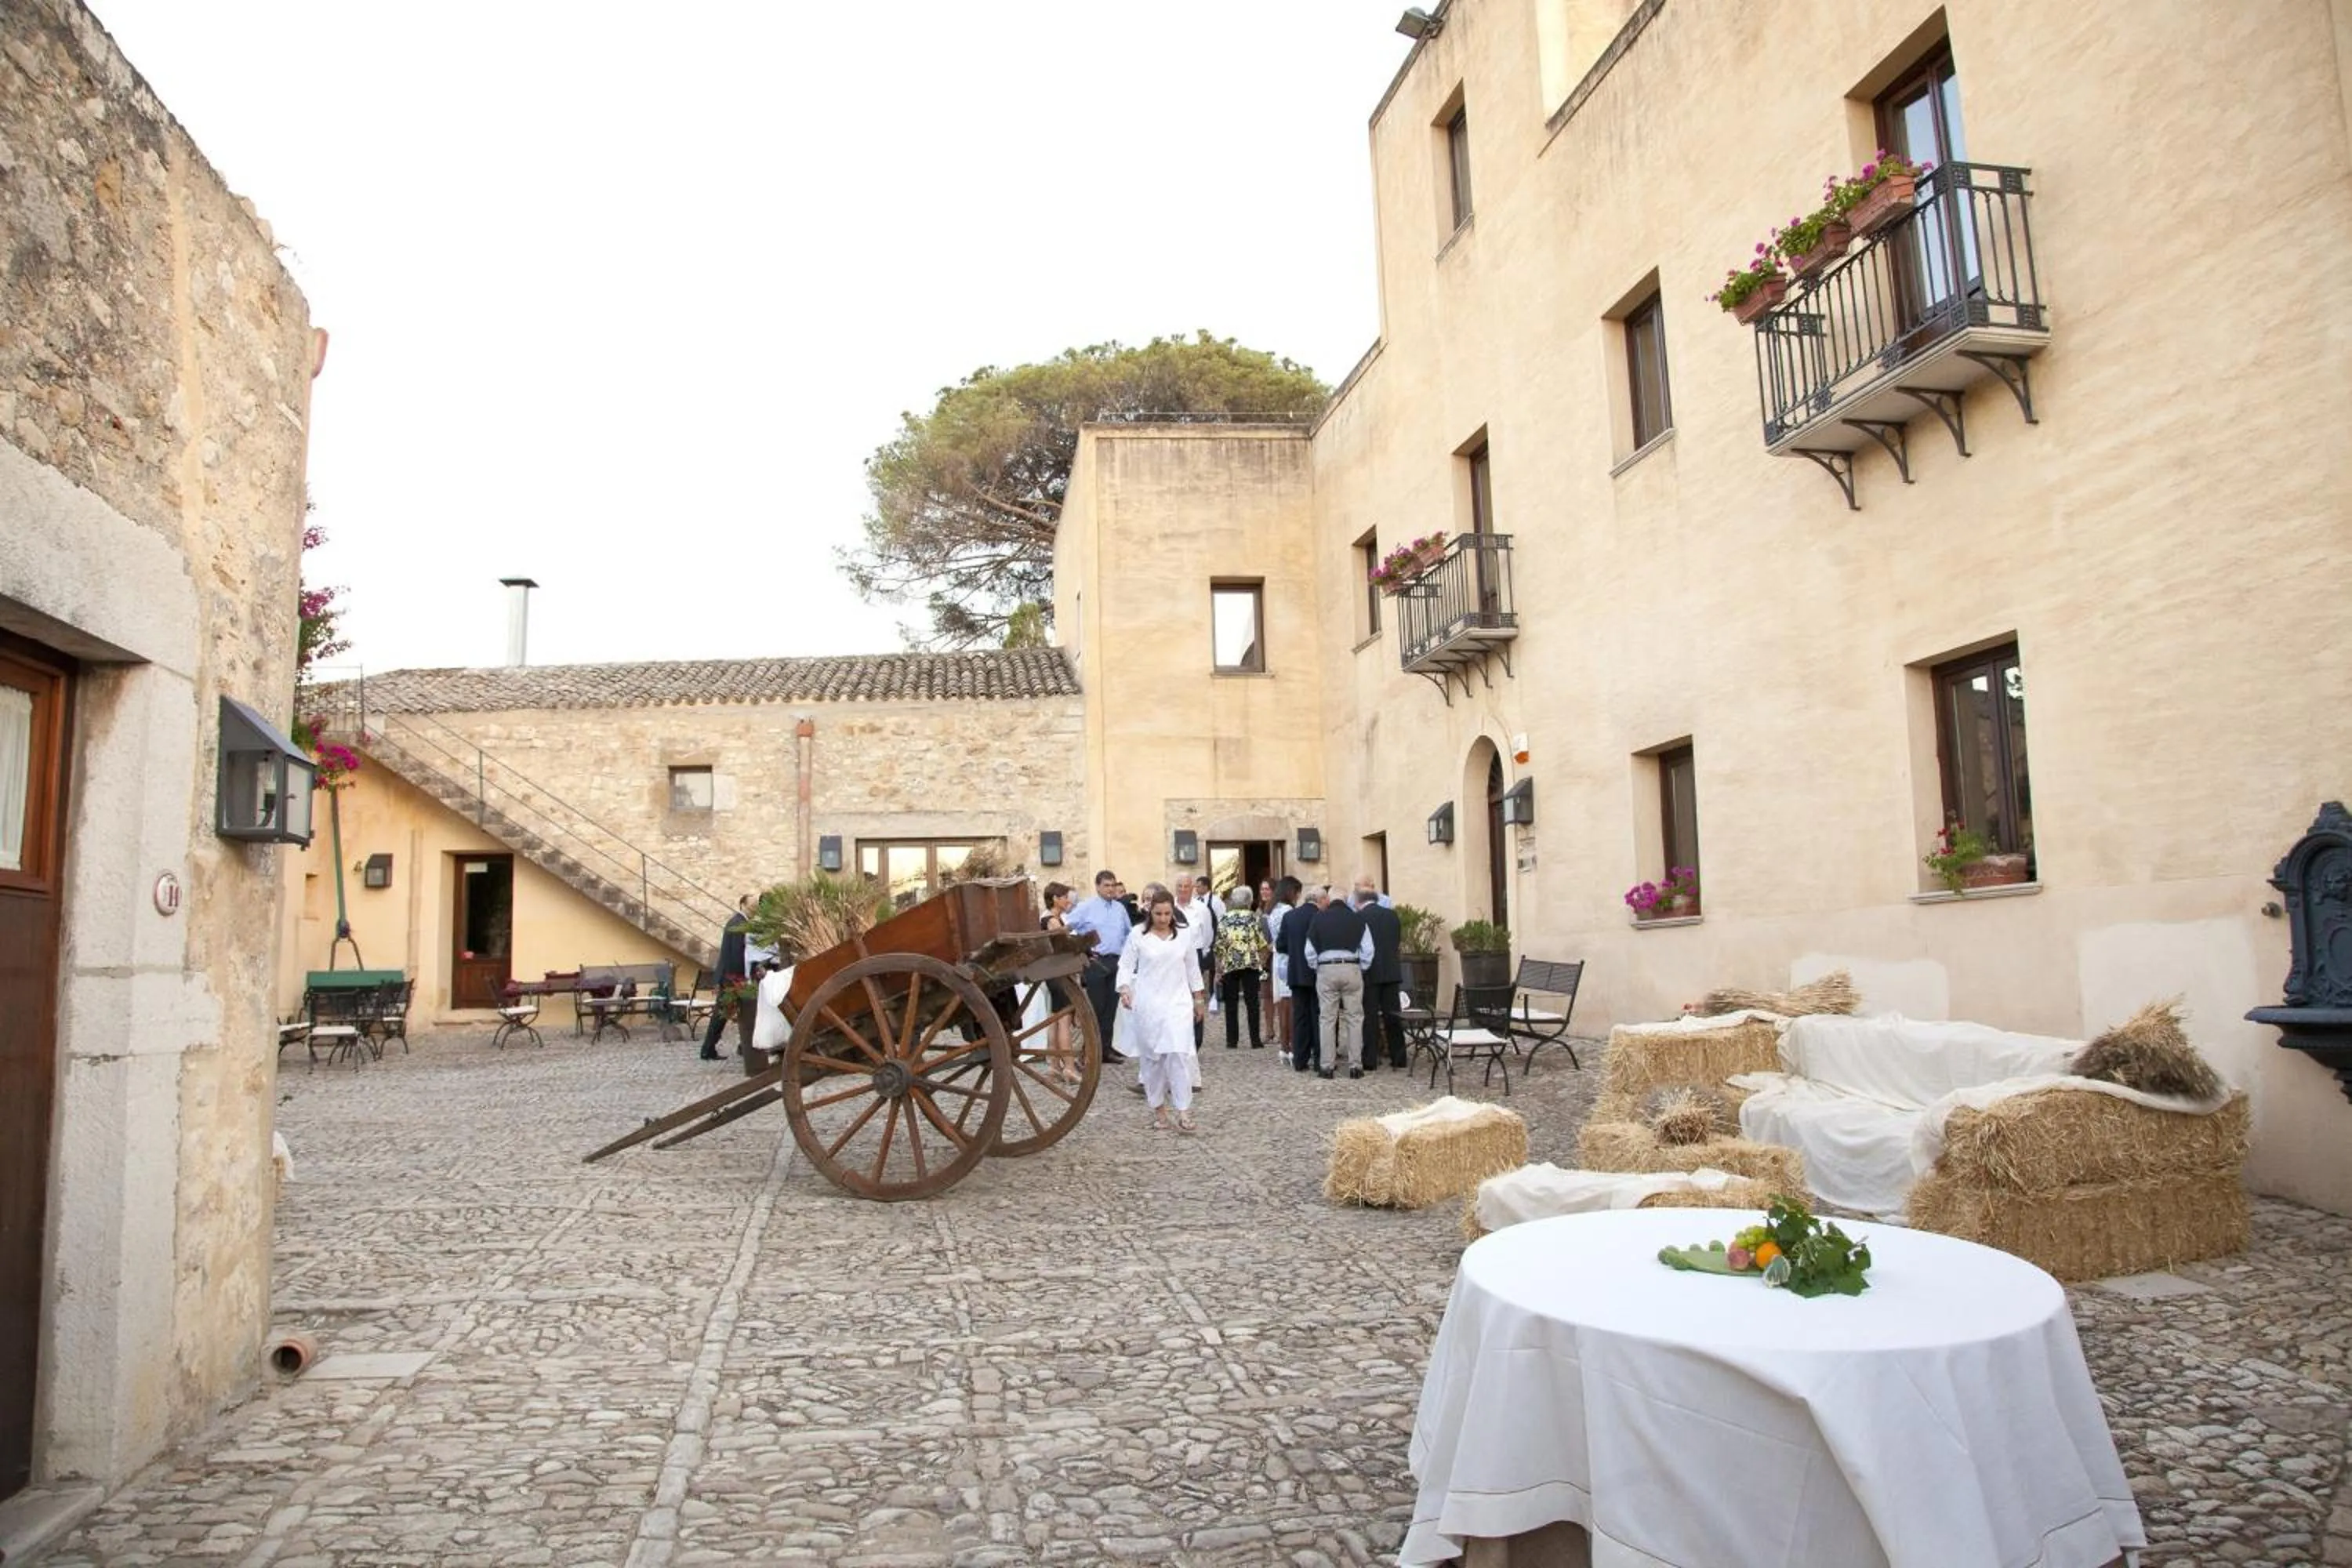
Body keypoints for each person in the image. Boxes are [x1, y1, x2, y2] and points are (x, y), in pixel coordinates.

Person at [1115, 889, 1207, 1132]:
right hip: (1148, 1004)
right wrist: (1125, 989)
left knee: (1178, 1055)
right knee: (1152, 1060)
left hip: (1177, 1003)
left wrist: (1199, 999)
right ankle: (1160, 1111)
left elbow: (1192, 969)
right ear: (1150, 912)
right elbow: (1125, 965)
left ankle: (1184, 1111)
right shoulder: (1138, 935)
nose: (1163, 918)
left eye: (1167, 913)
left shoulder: (1184, 936)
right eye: (1158, 914)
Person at [1305, 884, 1374, 1078]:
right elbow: (1368, 950)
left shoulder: (1318, 919)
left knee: (1327, 1019)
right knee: (1354, 1018)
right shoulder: (1358, 920)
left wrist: (1317, 967)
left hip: (1327, 968)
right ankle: (1355, 1066)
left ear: (1328, 899)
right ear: (1347, 900)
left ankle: (1327, 1066)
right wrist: (1360, 968)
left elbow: (1309, 951)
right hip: (1351, 967)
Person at [1066, 870, 1131, 1063]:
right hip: (1096, 961)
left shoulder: (1120, 909)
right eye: (1106, 885)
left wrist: (1126, 954)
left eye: (1113, 885)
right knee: (1096, 1007)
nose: (1110, 889)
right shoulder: (1087, 907)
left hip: (1115, 961)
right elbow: (1068, 926)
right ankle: (1088, 1051)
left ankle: (1105, 1050)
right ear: (1097, 886)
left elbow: (1129, 933)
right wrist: (1082, 949)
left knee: (1111, 1007)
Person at [1027, 881, 1082, 1085]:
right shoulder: (1052, 921)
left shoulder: (1051, 918)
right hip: (1058, 975)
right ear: (1056, 899)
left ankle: (1053, 1066)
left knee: (1054, 1020)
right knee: (1064, 1022)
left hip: (1052, 974)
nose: (1069, 901)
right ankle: (1068, 1067)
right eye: (1065, 897)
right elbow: (1064, 947)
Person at [1357, 885, 1410, 1071]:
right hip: (1391, 971)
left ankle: (1370, 1059)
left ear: (1359, 901)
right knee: (1393, 1016)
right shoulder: (1392, 916)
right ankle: (1399, 1057)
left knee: (1369, 1017)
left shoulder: (1360, 917)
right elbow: (1396, 941)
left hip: (1370, 973)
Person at [698, 895, 754, 1061]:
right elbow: (737, 954)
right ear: (743, 905)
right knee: (721, 1015)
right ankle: (708, 1049)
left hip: (730, 977)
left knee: (724, 1015)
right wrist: (741, 979)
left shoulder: (738, 922)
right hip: (731, 978)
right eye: (752, 906)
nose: (754, 909)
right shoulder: (738, 924)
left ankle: (712, 1048)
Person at [1213, 885, 1269, 1048]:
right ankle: (1255, 1040)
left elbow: (1219, 945)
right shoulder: (1253, 918)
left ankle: (1232, 1040)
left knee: (1231, 1003)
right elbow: (1261, 943)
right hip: (1250, 963)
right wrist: (1263, 962)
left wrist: (1218, 968)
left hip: (1230, 964)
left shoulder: (1225, 918)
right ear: (1249, 901)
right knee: (1252, 1002)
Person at [1281, 881, 1324, 1073]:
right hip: (1318, 973)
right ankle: (1319, 1058)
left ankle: (1300, 1059)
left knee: (1300, 1016)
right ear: (1320, 901)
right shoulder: (1322, 916)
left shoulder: (1290, 916)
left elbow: (1281, 945)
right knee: (1317, 1015)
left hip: (1297, 972)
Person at [1174, 875, 1219, 1048]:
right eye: (1180, 886)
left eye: (1186, 886)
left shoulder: (1201, 910)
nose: (1183, 890)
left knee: (1196, 996)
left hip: (1195, 955)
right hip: (1175, 957)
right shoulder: (1170, 907)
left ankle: (1195, 1039)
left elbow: (1208, 935)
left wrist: (1202, 954)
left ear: (1192, 888)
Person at [1266, 877, 1298, 1057]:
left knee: (1282, 1004)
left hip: (1278, 958)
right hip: (1287, 957)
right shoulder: (1287, 910)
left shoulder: (1274, 909)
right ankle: (1290, 1042)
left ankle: (1284, 1044)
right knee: (1289, 1003)